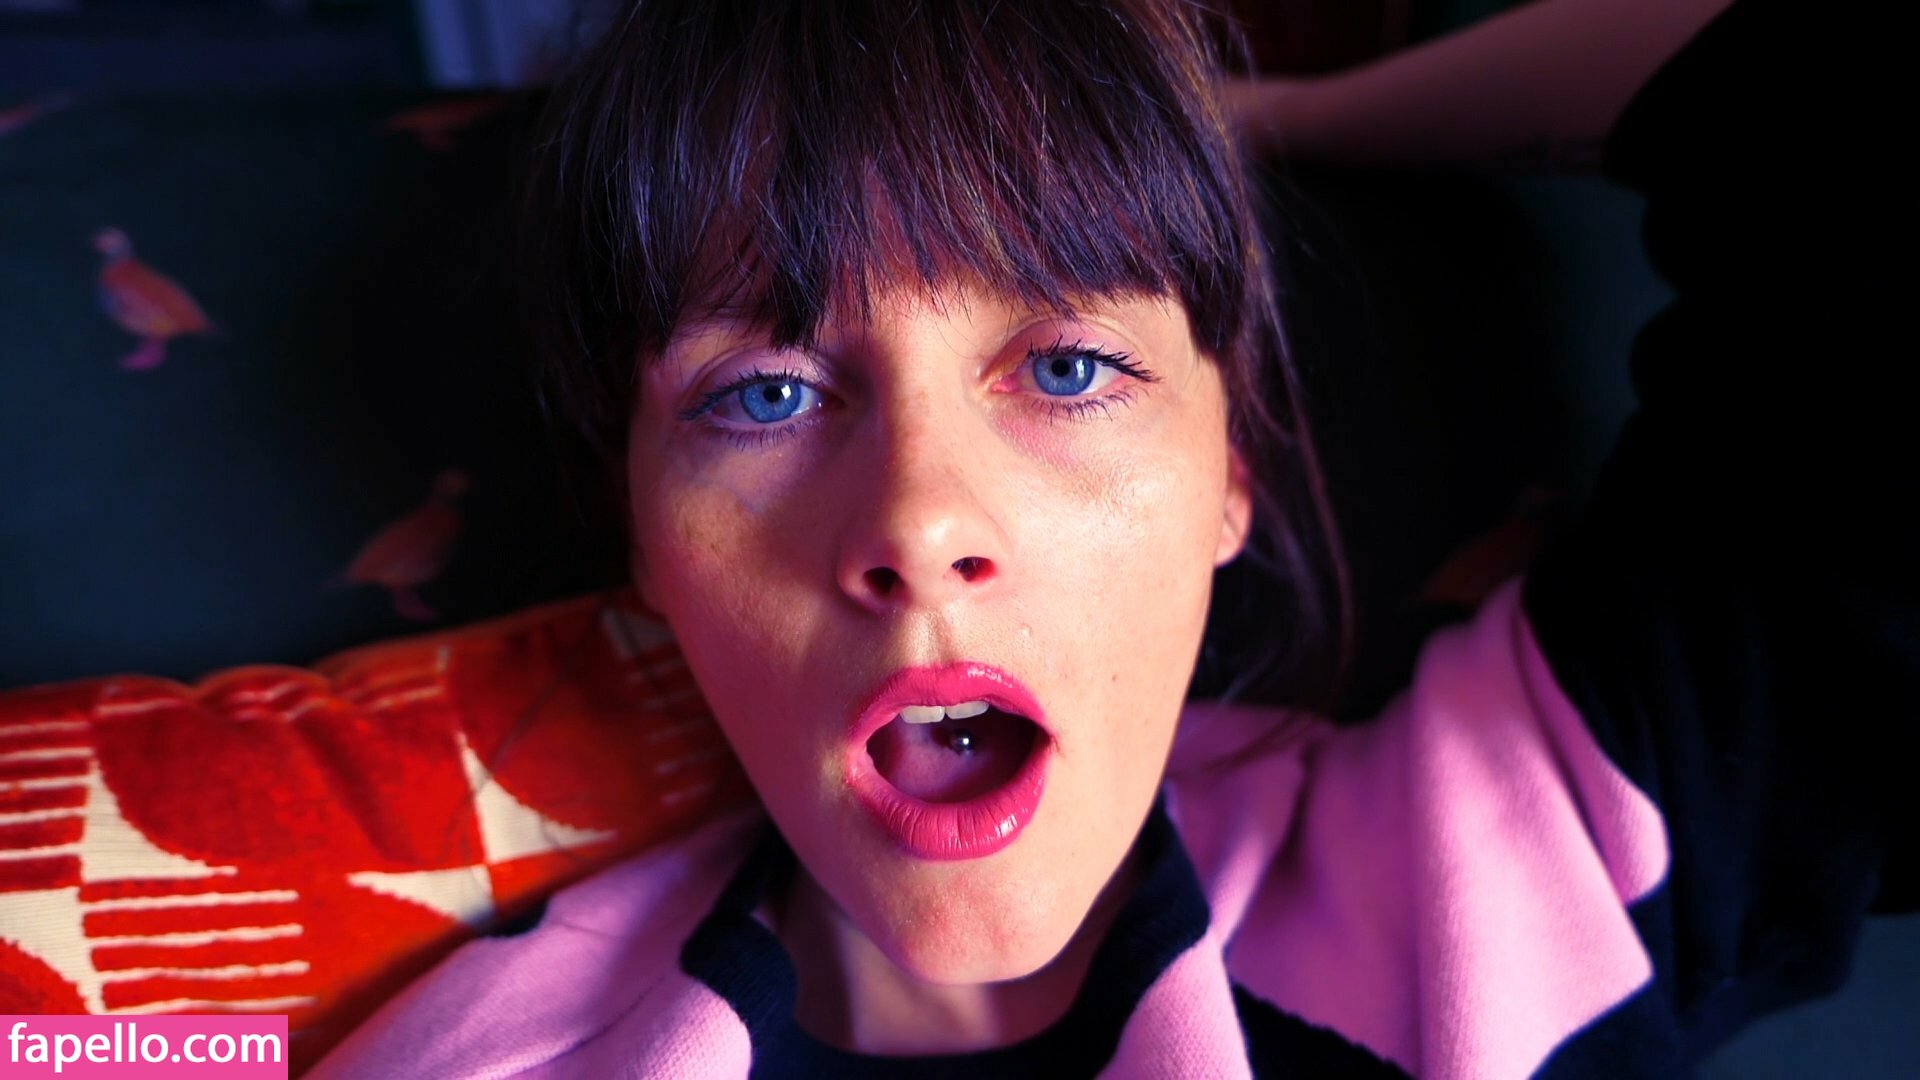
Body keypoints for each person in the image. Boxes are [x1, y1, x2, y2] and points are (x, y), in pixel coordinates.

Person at [313, 0, 1917, 1075]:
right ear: (649, 549)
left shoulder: (1521, 860)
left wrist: (1272, 125)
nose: (920, 523)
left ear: (1232, 474)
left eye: (1070, 368)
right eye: (767, 397)